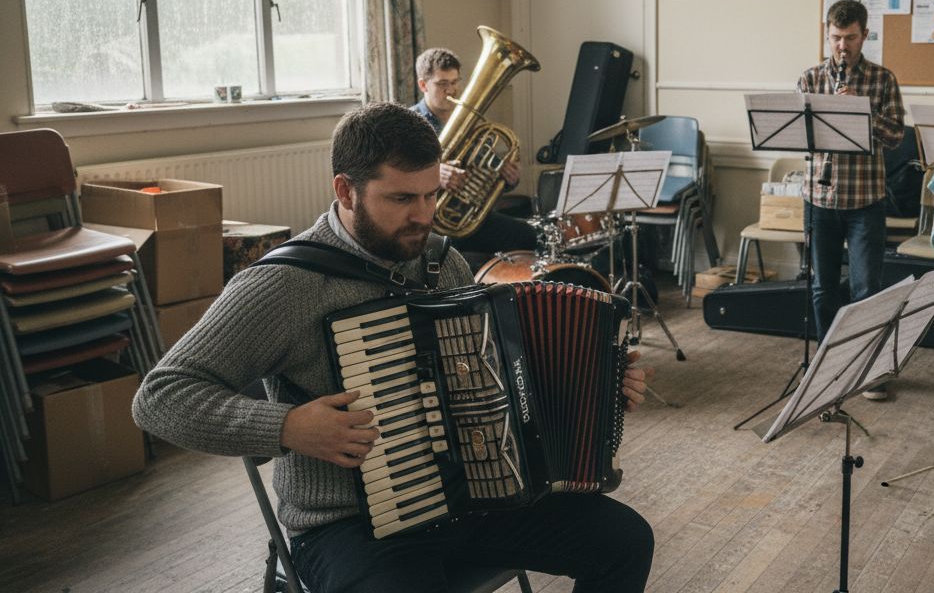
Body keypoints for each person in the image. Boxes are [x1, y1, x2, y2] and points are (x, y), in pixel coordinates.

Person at [132, 103, 655, 592]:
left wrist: (602, 383)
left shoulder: (441, 262)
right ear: (345, 190)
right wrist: (286, 427)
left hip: (473, 499)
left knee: (624, 541)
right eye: (402, 199)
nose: (423, 216)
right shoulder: (284, 286)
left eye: (431, 195)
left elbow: (497, 380)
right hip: (348, 527)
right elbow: (159, 397)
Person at [796, 0, 904, 400]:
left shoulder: (882, 79)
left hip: (865, 199)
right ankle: (831, 365)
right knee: (823, 288)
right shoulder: (809, 79)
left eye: (851, 38)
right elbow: (800, 137)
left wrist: (860, 110)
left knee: (866, 289)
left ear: (865, 35)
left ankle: (869, 369)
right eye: (836, 38)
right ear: (827, 34)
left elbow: (895, 136)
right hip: (819, 198)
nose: (843, 46)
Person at [412, 48, 538, 263]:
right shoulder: (410, 124)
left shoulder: (471, 124)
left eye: (455, 82)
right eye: (442, 84)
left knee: (532, 237)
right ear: (423, 85)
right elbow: (398, 177)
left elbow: (486, 176)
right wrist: (434, 175)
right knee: (459, 263)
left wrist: (506, 178)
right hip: (430, 223)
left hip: (471, 219)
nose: (451, 91)